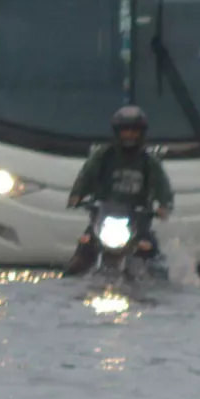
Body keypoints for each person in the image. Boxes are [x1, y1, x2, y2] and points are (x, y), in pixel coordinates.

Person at [65, 104, 173, 276]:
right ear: (117, 132)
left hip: (138, 222)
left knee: (153, 256)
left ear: (141, 133)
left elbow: (162, 187)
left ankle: (161, 293)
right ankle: (68, 291)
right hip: (102, 220)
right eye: (125, 130)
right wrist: (77, 196)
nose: (129, 135)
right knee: (81, 255)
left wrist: (164, 205)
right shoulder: (103, 156)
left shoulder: (148, 162)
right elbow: (86, 176)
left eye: (134, 130)